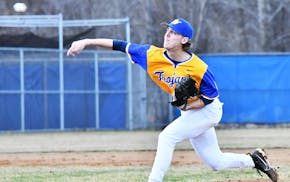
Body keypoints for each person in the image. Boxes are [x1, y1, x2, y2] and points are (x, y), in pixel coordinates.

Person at [67, 18, 278, 182]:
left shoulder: (199, 68)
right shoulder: (151, 54)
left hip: (208, 111)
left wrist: (186, 105)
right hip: (191, 113)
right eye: (167, 30)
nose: (167, 34)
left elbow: (209, 97)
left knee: (167, 137)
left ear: (184, 40)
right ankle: (255, 160)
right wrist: (86, 41)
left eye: (174, 32)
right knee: (216, 162)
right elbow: (120, 45)